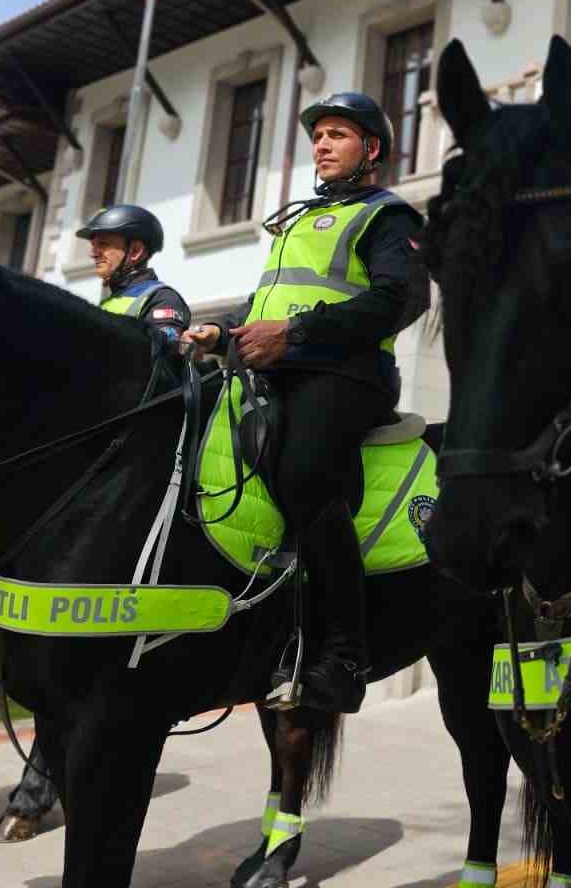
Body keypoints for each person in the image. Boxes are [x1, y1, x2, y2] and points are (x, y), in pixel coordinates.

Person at [181, 92, 427, 713]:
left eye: (337, 134)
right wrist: (221, 333)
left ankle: (344, 654)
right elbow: (266, 304)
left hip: (348, 375)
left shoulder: (387, 215)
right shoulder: (296, 222)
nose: (321, 144)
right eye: (318, 135)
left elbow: (400, 299)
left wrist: (294, 334)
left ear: (371, 149)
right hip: (278, 367)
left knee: (305, 471)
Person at [76, 204, 190, 344]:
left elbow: (160, 353)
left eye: (103, 244)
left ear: (135, 251)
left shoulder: (161, 298)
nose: (93, 254)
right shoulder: (108, 302)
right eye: (93, 245)